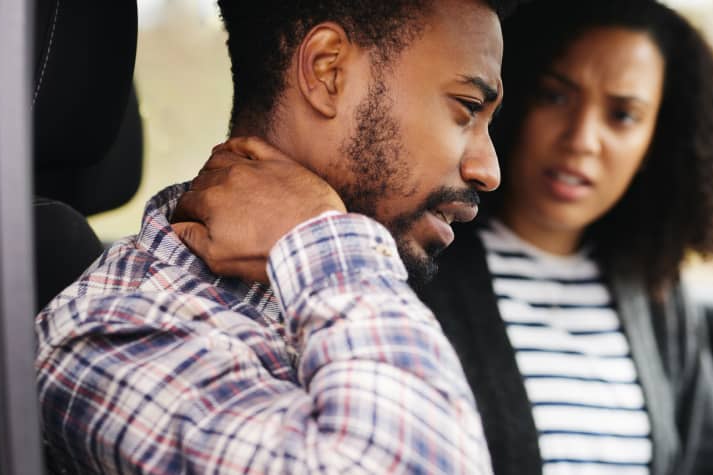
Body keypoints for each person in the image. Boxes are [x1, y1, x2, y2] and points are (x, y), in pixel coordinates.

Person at [35, 0, 515, 472]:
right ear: (327, 71)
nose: (488, 170)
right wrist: (318, 237)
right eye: (468, 107)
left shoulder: (361, 302)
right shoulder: (115, 333)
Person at [418, 1, 713, 474]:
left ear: (662, 137)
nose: (582, 138)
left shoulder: (655, 292)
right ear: (510, 97)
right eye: (555, 96)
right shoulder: (427, 262)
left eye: (623, 116)